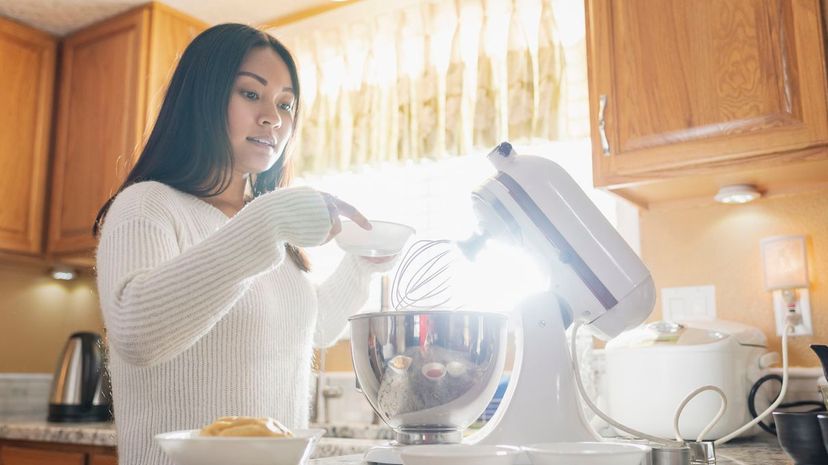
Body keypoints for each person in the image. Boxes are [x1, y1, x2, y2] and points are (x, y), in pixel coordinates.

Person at [94, 24, 393, 465]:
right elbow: (137, 335)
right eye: (251, 94)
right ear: (203, 98)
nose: (273, 117)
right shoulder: (147, 205)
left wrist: (361, 264)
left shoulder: (261, 227)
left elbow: (313, 328)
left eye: (286, 104)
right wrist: (267, 223)